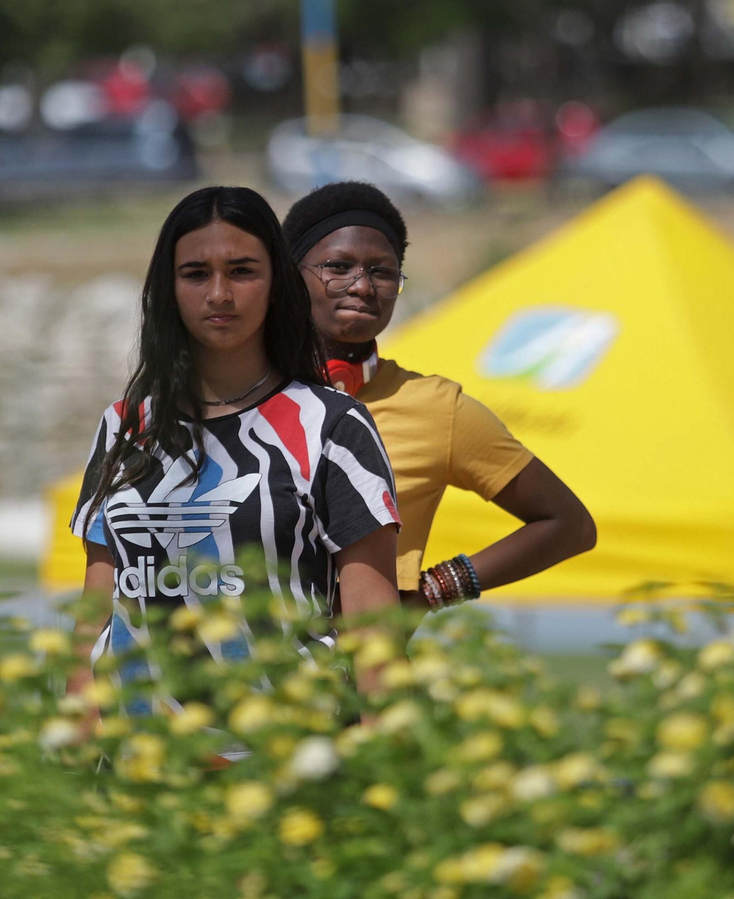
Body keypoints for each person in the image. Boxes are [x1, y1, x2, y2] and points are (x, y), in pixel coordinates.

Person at [69, 185, 401, 710]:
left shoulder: (334, 425)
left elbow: (373, 636)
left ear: (276, 286)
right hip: (139, 768)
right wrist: (79, 748)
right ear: (168, 288)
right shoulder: (124, 425)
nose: (219, 294)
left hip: (287, 758)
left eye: (243, 271)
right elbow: (97, 615)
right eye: (196, 273)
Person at [282, 181, 595, 614]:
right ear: (287, 277)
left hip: (365, 675)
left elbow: (570, 526)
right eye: (337, 267)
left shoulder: (435, 407)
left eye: (383, 272)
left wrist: (429, 593)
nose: (363, 287)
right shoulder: (237, 396)